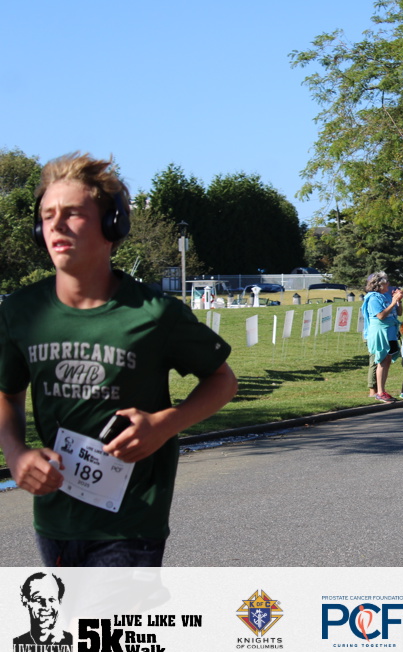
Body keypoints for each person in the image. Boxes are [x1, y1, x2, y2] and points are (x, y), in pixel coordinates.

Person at [0, 152, 238, 566]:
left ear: (113, 225)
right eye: (47, 215)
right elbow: (6, 393)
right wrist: (16, 452)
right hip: (55, 519)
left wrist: (164, 424)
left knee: (112, 611)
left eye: (73, 213)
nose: (56, 224)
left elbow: (223, 380)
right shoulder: (20, 312)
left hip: (132, 520)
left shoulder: (155, 313)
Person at [362, 272, 403, 402]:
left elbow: (399, 313)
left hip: (390, 332)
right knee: (381, 360)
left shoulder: (386, 295)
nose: (389, 284)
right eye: (386, 282)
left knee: (388, 360)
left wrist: (398, 301)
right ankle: (379, 392)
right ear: (379, 285)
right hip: (380, 332)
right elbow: (380, 316)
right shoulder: (373, 298)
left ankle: (383, 390)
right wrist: (393, 302)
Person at [14, 573, 72, 650]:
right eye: (38, 599)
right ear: (25, 601)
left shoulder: (74, 643)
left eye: (51, 599)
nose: (46, 606)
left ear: (59, 601)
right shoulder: (14, 645)